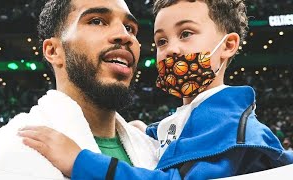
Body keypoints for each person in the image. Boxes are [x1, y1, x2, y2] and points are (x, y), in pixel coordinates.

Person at [18, 0, 293, 179]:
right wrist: (148, 132)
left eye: (185, 34)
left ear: (229, 45)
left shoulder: (236, 130)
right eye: (161, 41)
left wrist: (80, 161)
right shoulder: (179, 121)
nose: (171, 48)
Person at [0, 0, 159, 179]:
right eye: (97, 21)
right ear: (53, 51)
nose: (125, 36)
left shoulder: (153, 150)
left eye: (130, 28)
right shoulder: (5, 157)